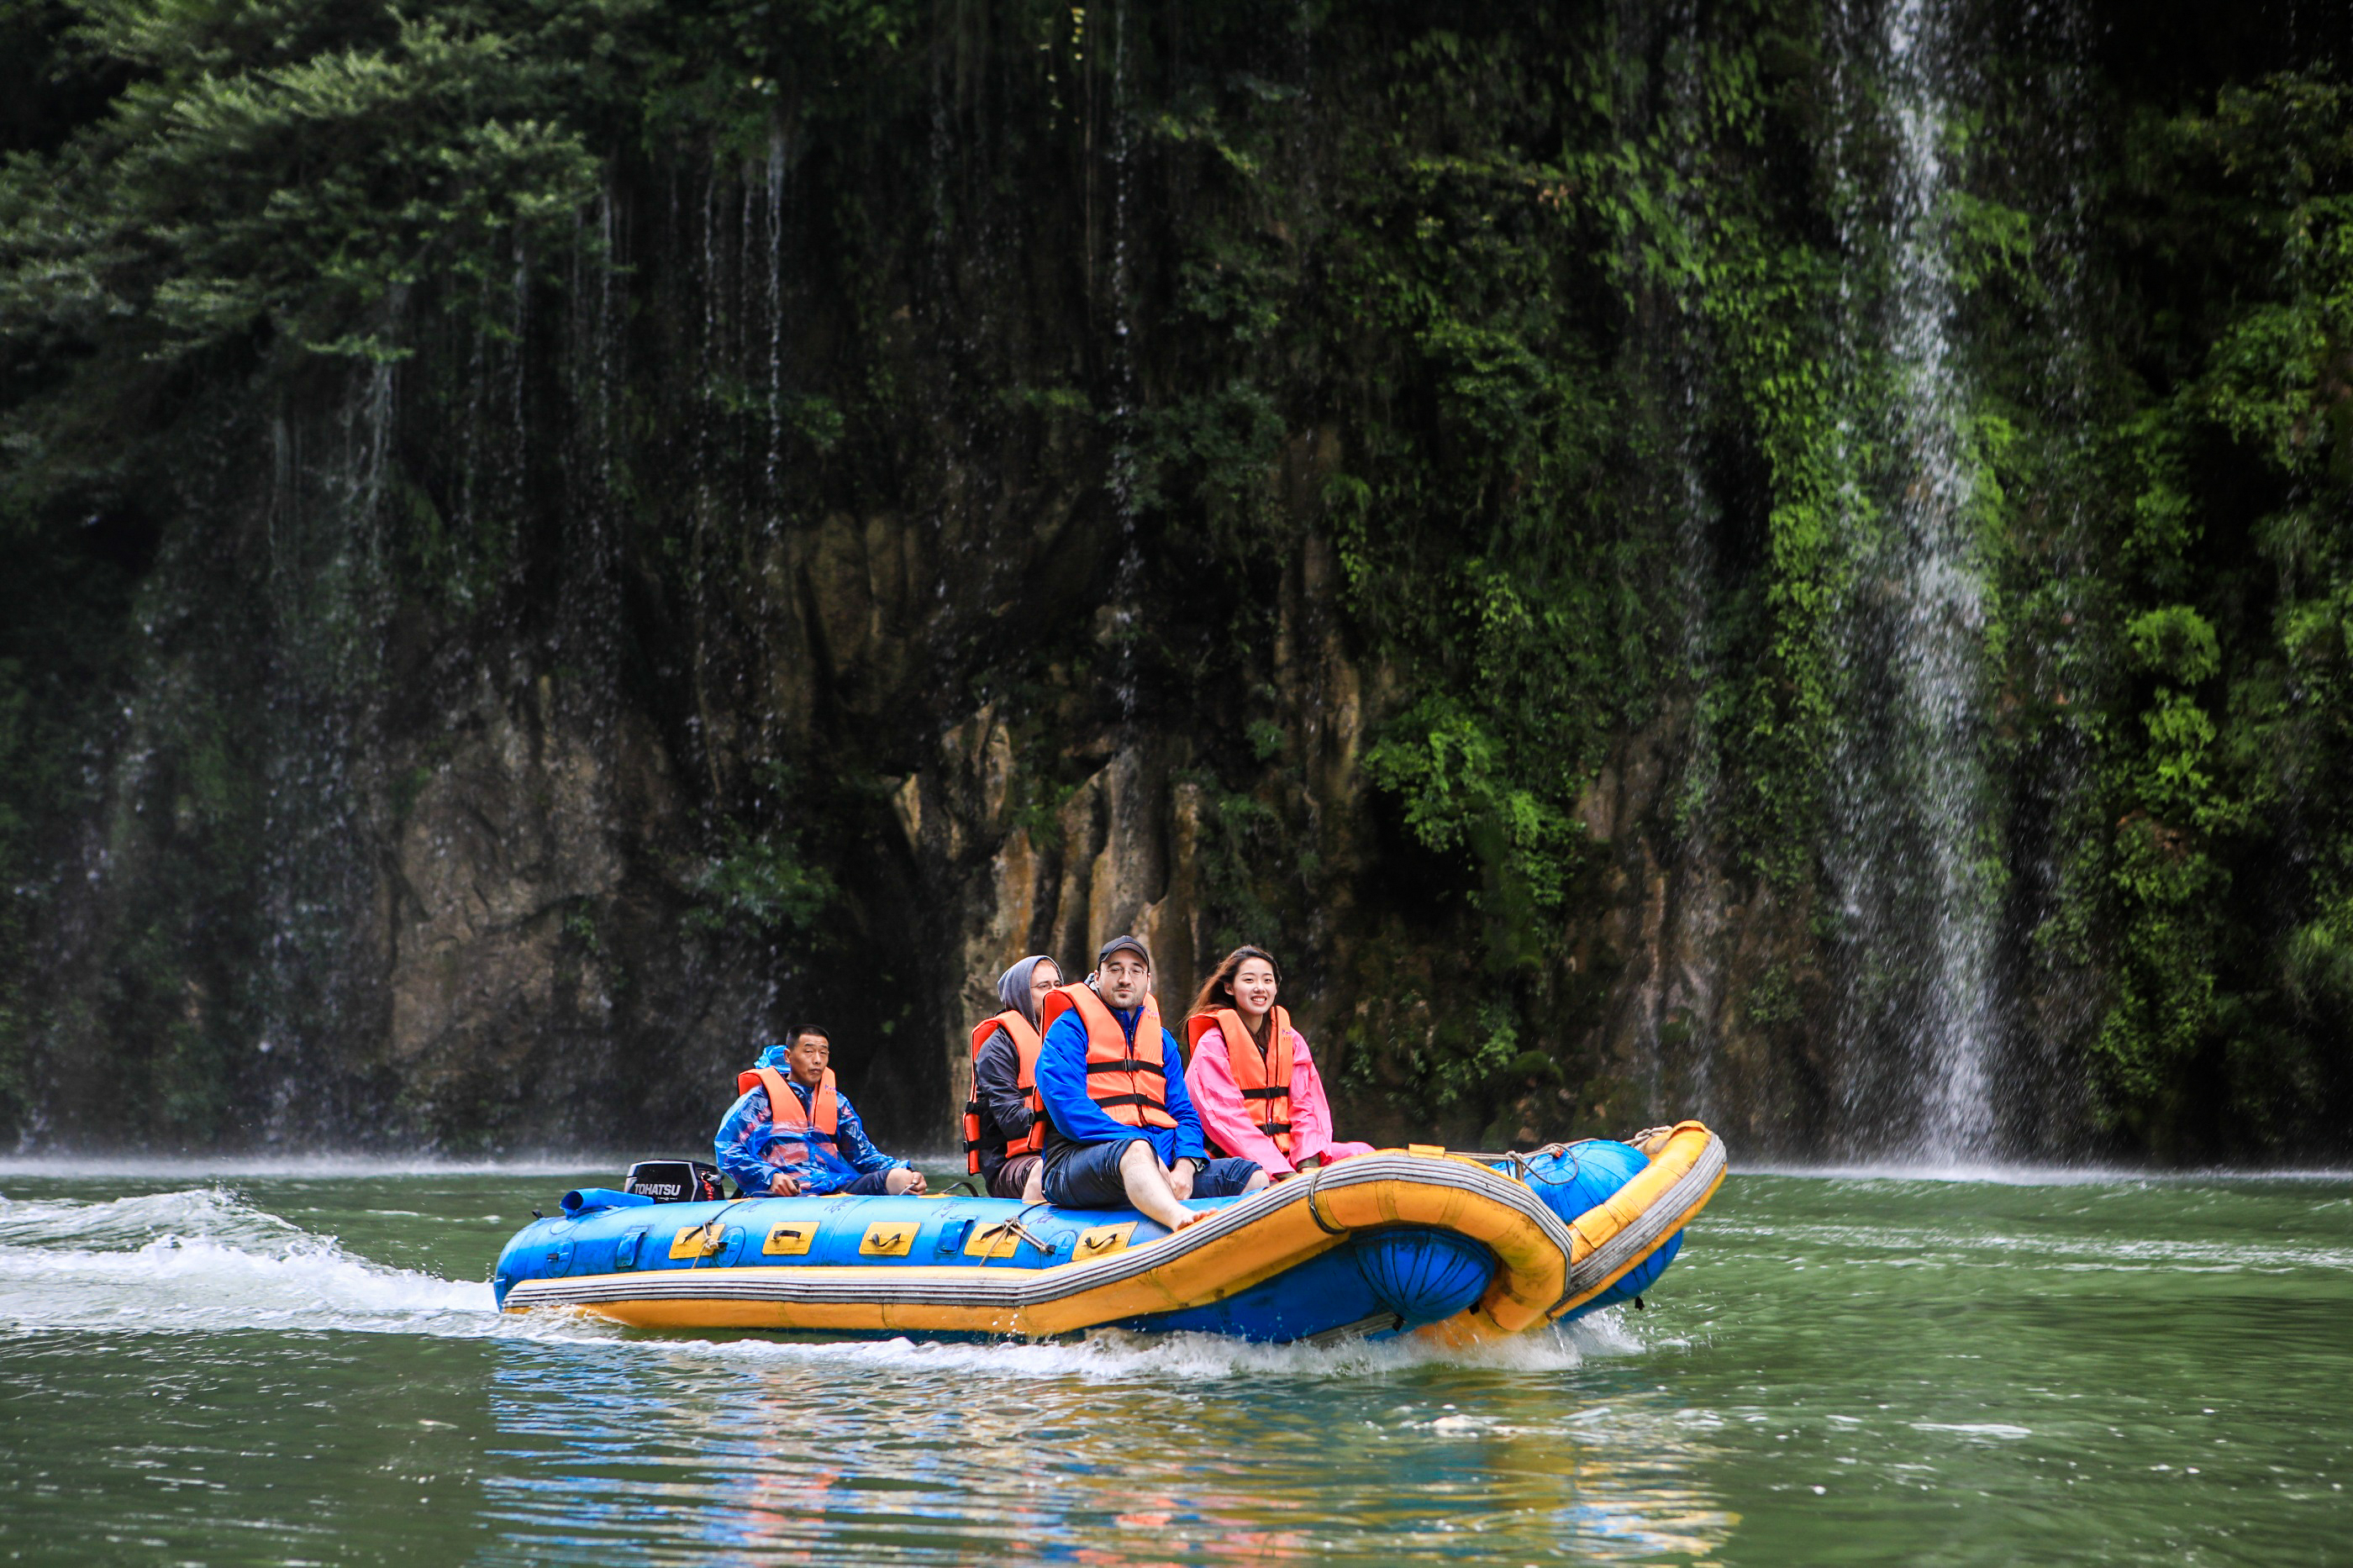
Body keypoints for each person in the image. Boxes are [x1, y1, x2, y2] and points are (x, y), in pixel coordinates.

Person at [1034, 934, 1267, 1229]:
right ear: (1097, 977)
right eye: (1115, 969)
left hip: (1161, 1164)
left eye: (1135, 970)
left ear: (1148, 981)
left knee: (1251, 1175)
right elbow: (1067, 1107)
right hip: (1075, 1162)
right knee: (1136, 1151)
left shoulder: (1162, 1041)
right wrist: (1142, 1147)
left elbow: (1184, 1114)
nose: (1125, 979)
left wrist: (1186, 1164)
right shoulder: (1068, 1030)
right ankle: (1180, 1221)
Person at [1183, 945, 1374, 1180]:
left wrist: (1307, 1166)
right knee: (1258, 1176)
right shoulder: (1213, 1045)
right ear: (1229, 987)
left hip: (1290, 1157)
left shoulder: (1290, 1040)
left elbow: (1306, 1106)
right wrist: (1283, 1175)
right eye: (1249, 980)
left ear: (1275, 987)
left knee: (1362, 1153)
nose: (1259, 988)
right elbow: (1227, 1119)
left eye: (1267, 980)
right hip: (1237, 1161)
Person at [713, 1025, 929, 1197]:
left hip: (833, 1186)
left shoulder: (836, 1103)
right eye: (808, 1052)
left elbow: (863, 1156)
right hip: (787, 1191)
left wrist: (907, 1170)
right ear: (788, 1056)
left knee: (902, 1179)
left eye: (823, 1053)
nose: (817, 1060)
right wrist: (770, 1177)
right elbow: (728, 1149)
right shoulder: (759, 1101)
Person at [963, 955, 1062, 1202]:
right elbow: (1011, 1120)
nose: (1054, 993)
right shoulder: (997, 1048)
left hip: (1063, 1147)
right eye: (1043, 986)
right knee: (1048, 1168)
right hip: (1011, 1164)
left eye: (1058, 985)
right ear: (1022, 994)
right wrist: (1068, 1117)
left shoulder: (1069, 1037)